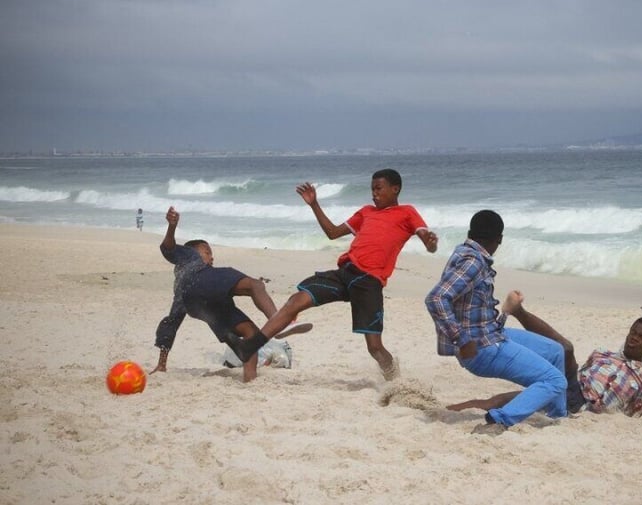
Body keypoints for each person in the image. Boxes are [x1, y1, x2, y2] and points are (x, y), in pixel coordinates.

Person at [226, 169, 438, 380]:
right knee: (295, 301)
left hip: (369, 281)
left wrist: (430, 243)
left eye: (379, 189)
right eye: (372, 189)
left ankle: (396, 383)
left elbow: (425, 238)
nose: (374, 194)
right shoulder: (366, 212)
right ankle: (250, 348)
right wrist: (314, 204)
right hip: (345, 273)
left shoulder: (407, 212)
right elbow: (332, 233)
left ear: (395, 189)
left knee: (374, 347)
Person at [424, 210, 567, 435]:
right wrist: (461, 339)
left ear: (471, 233)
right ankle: (499, 420)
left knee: (556, 351)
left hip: (492, 336)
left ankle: (557, 416)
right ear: (499, 239)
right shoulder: (473, 262)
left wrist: (506, 312)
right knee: (555, 380)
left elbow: (474, 316)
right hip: (482, 349)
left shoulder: (468, 253)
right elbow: (436, 298)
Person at [152, 206, 312, 382]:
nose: (211, 258)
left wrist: (162, 363)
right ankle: (279, 321)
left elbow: (171, 323)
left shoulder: (180, 286)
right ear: (193, 250)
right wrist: (172, 227)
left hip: (201, 307)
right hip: (205, 281)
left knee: (251, 335)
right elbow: (168, 248)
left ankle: (250, 380)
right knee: (255, 284)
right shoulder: (189, 255)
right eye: (207, 252)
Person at [447, 302, 642, 417]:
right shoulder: (602, 353)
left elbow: (634, 412)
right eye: (633, 332)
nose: (634, 338)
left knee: (501, 403)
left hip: (585, 404)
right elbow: (578, 372)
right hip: (570, 385)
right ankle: (443, 411)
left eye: (641, 336)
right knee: (565, 350)